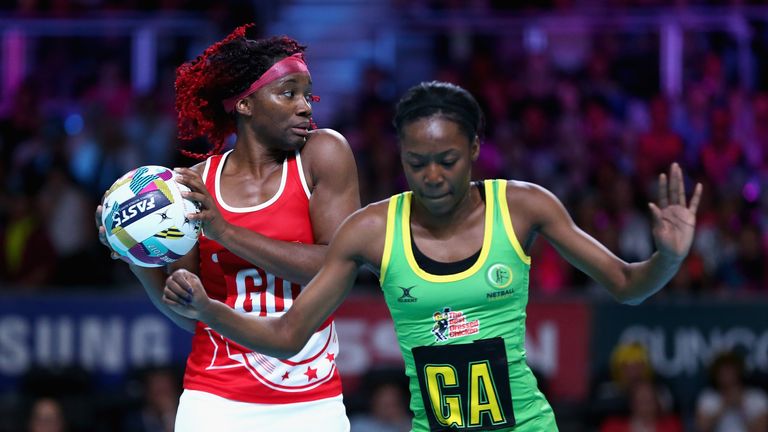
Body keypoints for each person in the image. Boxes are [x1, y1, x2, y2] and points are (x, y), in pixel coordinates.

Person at [163, 81, 702, 431]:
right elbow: (286, 336)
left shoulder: (523, 207)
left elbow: (628, 285)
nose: (433, 176)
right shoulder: (371, 230)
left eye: (447, 159)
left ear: (474, 149)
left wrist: (669, 260)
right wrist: (209, 310)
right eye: (417, 162)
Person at [95, 24, 360, 431]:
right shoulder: (191, 189)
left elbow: (336, 266)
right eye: (288, 93)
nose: (305, 106)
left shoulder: (324, 154)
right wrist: (136, 258)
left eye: (307, 94)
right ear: (245, 105)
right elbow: (191, 313)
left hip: (314, 400)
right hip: (214, 400)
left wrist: (225, 232)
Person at [695, 351, 768, 432]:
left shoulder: (757, 397)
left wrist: (741, 407)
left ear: (739, 370)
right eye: (722, 370)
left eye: (730, 369)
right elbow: (702, 429)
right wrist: (724, 405)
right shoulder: (708, 398)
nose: (727, 374)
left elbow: (762, 429)